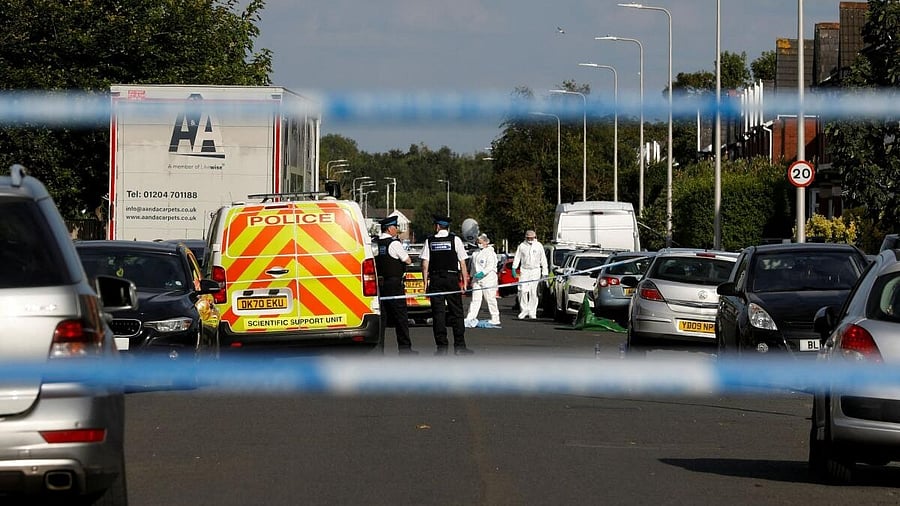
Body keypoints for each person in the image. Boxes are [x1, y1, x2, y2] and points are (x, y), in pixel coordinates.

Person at [421, 215, 473, 355]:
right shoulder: (455, 240)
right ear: (447, 227)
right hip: (451, 279)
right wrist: (465, 283)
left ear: (437, 226)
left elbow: (425, 265)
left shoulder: (429, 241)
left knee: (438, 314)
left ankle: (441, 347)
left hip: (436, 280)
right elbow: (463, 263)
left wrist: (425, 283)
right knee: (456, 313)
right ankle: (459, 347)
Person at [375, 216, 417, 355]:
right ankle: (405, 349)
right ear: (389, 228)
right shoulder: (394, 244)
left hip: (379, 284)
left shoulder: (375, 243)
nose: (396, 231)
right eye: (395, 228)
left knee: (382, 318)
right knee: (401, 317)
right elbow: (408, 260)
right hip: (394, 284)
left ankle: (379, 350)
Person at [465, 233, 500, 325]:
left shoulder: (490, 253)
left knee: (490, 299)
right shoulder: (475, 253)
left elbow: (490, 266)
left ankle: (495, 318)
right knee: (475, 299)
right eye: (478, 242)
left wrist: (483, 273)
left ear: (486, 242)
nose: (479, 244)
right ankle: (470, 317)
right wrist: (472, 277)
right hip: (477, 279)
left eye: (480, 242)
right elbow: (473, 266)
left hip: (488, 279)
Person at [512, 229, 548, 319]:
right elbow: (517, 257)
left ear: (534, 237)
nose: (530, 239)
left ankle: (532, 311)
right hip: (524, 270)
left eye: (532, 238)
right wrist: (514, 268)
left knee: (533, 292)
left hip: (535, 270)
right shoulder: (522, 246)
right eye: (528, 238)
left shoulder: (539, 246)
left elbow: (543, 259)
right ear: (526, 237)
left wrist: (545, 272)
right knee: (522, 290)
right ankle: (524, 310)